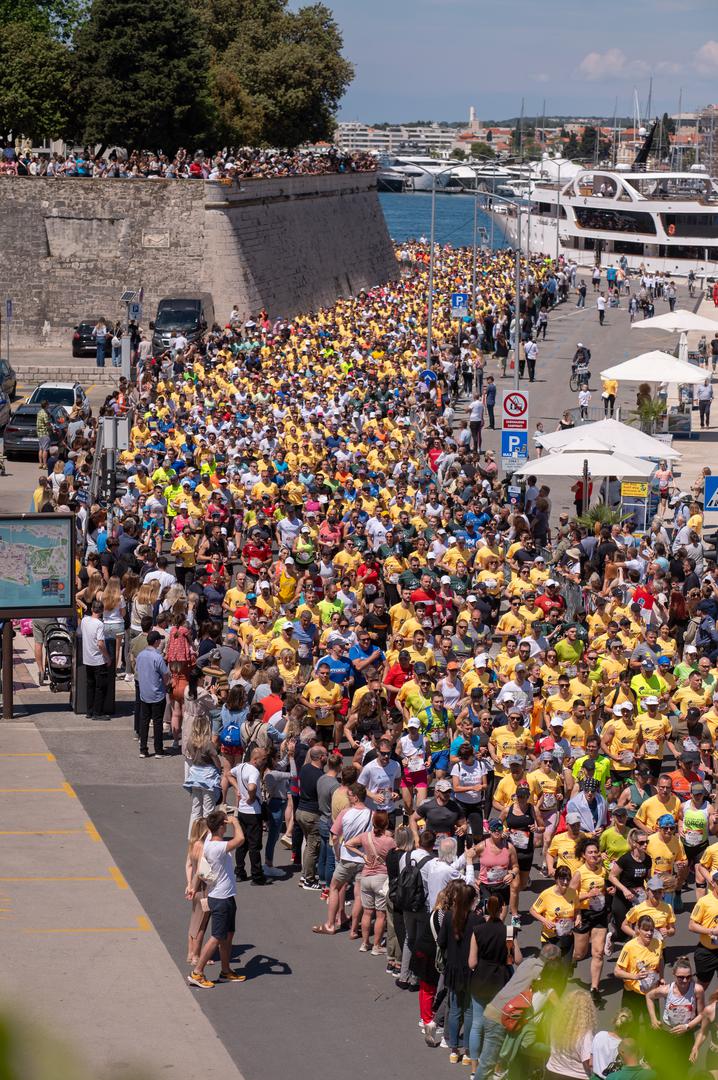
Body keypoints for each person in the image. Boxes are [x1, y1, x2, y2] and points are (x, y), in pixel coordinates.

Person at [187, 807, 246, 988]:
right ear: (221, 827)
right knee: (217, 937)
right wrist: (236, 822)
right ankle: (197, 973)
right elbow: (240, 839)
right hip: (220, 899)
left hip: (226, 896)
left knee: (228, 935)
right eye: (225, 824)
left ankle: (226, 970)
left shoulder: (210, 843)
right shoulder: (217, 847)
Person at [346, 809, 396, 954]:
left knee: (367, 913)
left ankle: (364, 943)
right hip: (381, 877)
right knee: (381, 914)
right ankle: (376, 946)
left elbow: (348, 844)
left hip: (366, 877)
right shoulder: (389, 841)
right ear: (386, 824)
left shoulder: (365, 836)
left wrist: (363, 855)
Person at [230, 746, 269, 886]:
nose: (265, 761)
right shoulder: (254, 772)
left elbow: (228, 774)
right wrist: (251, 797)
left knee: (242, 843)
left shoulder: (241, 767)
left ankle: (240, 872)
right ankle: (257, 876)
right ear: (255, 759)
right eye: (263, 759)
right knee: (254, 845)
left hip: (242, 811)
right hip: (253, 812)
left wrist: (238, 789)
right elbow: (252, 787)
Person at [545, 987, 596, 1079]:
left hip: (553, 1071)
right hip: (576, 1076)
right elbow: (588, 1062)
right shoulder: (585, 1034)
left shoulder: (557, 1025)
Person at [135, 629, 170, 757]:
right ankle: (158, 750)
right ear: (156, 642)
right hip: (157, 694)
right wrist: (167, 685)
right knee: (157, 722)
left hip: (144, 693)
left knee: (144, 721)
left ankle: (143, 749)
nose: (160, 642)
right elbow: (165, 675)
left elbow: (137, 669)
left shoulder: (140, 655)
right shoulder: (158, 657)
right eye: (159, 640)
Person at [80, 598, 112, 722]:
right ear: (102, 611)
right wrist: (107, 657)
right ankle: (97, 712)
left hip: (87, 659)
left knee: (90, 685)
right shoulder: (99, 624)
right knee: (100, 687)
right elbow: (100, 643)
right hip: (98, 660)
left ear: (92, 609)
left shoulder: (84, 621)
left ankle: (89, 710)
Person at [35, 398, 52, 469]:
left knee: (41, 449)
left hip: (39, 433)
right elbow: (47, 423)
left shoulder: (40, 412)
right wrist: (52, 428)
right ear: (46, 405)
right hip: (45, 433)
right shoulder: (45, 414)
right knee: (45, 450)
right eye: (48, 404)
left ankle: (40, 463)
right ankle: (45, 464)